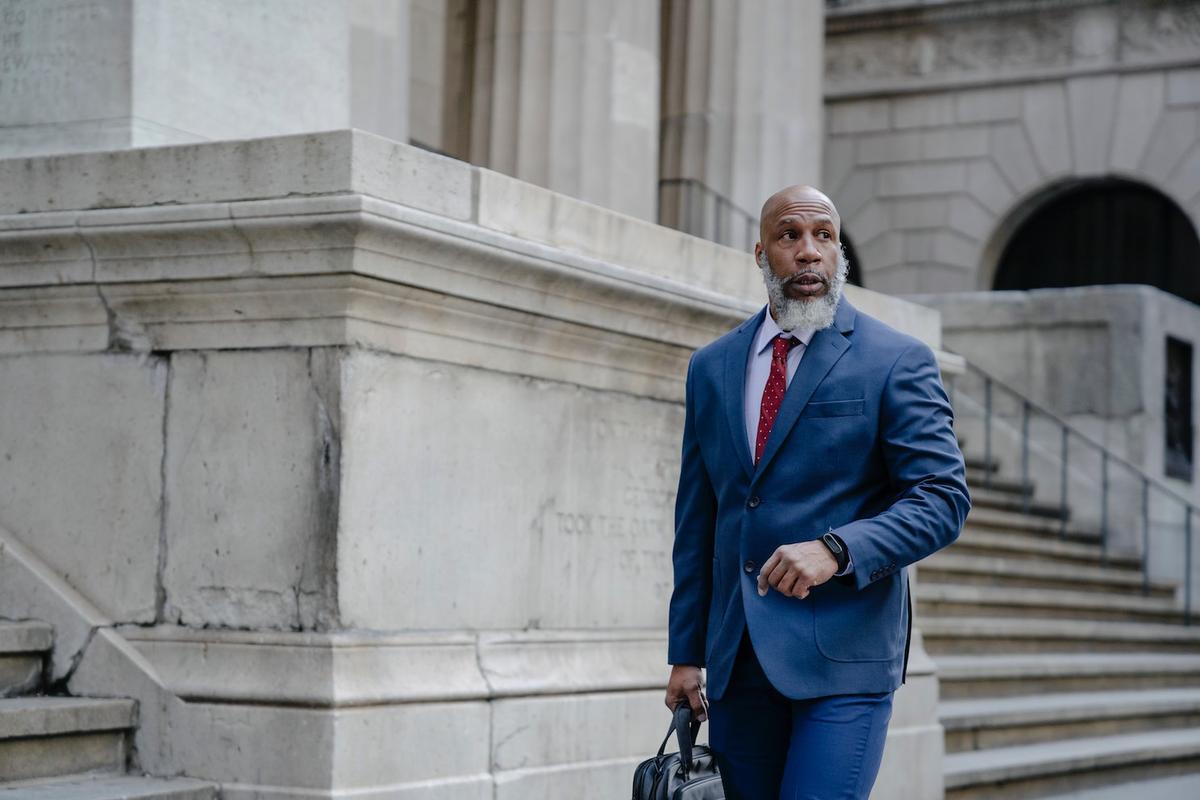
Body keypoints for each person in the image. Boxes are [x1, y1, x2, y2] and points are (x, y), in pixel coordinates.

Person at [664, 185, 970, 799]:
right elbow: (700, 521)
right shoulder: (712, 366)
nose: (809, 252)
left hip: (845, 659)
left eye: (823, 237)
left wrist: (836, 550)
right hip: (739, 661)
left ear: (839, 254)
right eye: (789, 236)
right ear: (761, 253)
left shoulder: (895, 359)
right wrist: (686, 653)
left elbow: (942, 496)